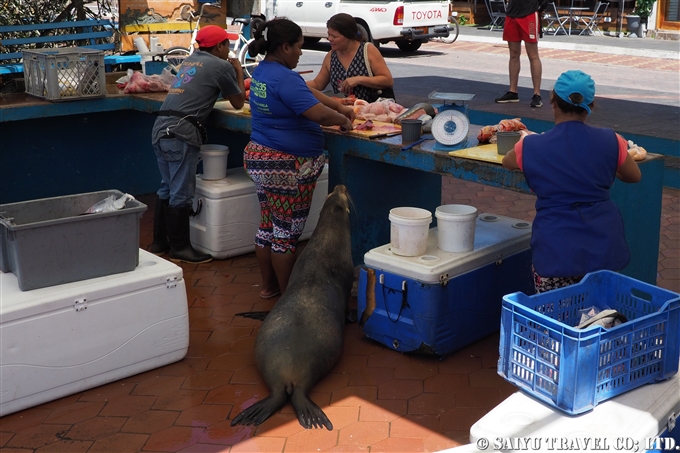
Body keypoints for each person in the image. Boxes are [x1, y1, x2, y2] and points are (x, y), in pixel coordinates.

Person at [502, 70, 642, 293]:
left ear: (553, 103)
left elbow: (508, 162)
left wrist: (526, 140)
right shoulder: (612, 140)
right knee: (600, 313)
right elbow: (634, 176)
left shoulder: (530, 146)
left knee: (555, 316)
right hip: (602, 246)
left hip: (555, 248)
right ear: (591, 107)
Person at [245, 18, 355, 298]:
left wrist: (338, 105)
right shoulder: (284, 77)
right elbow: (317, 114)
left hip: (260, 158)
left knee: (269, 226)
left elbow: (307, 93)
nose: (300, 53)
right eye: (298, 47)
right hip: (287, 166)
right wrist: (343, 120)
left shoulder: (263, 71)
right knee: (286, 234)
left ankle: (269, 287)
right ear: (284, 47)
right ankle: (289, 298)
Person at [149, 25, 246, 263]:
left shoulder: (191, 60)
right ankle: (181, 249)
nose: (229, 50)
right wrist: (238, 71)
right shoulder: (222, 65)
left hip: (161, 128)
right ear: (220, 46)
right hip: (181, 133)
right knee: (181, 193)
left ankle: (159, 243)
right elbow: (237, 102)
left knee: (167, 188)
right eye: (227, 45)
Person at [306, 13, 395, 103]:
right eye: (329, 35)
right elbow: (318, 83)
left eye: (334, 36)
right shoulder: (331, 56)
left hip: (371, 110)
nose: (329, 39)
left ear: (348, 36)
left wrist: (359, 79)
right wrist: (295, 83)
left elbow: (387, 80)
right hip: (343, 112)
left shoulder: (367, 50)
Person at [495, 0, 548, 108]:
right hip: (512, 13)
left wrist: (540, 8)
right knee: (513, 54)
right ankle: (513, 92)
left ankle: (537, 94)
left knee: (533, 55)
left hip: (529, 13)